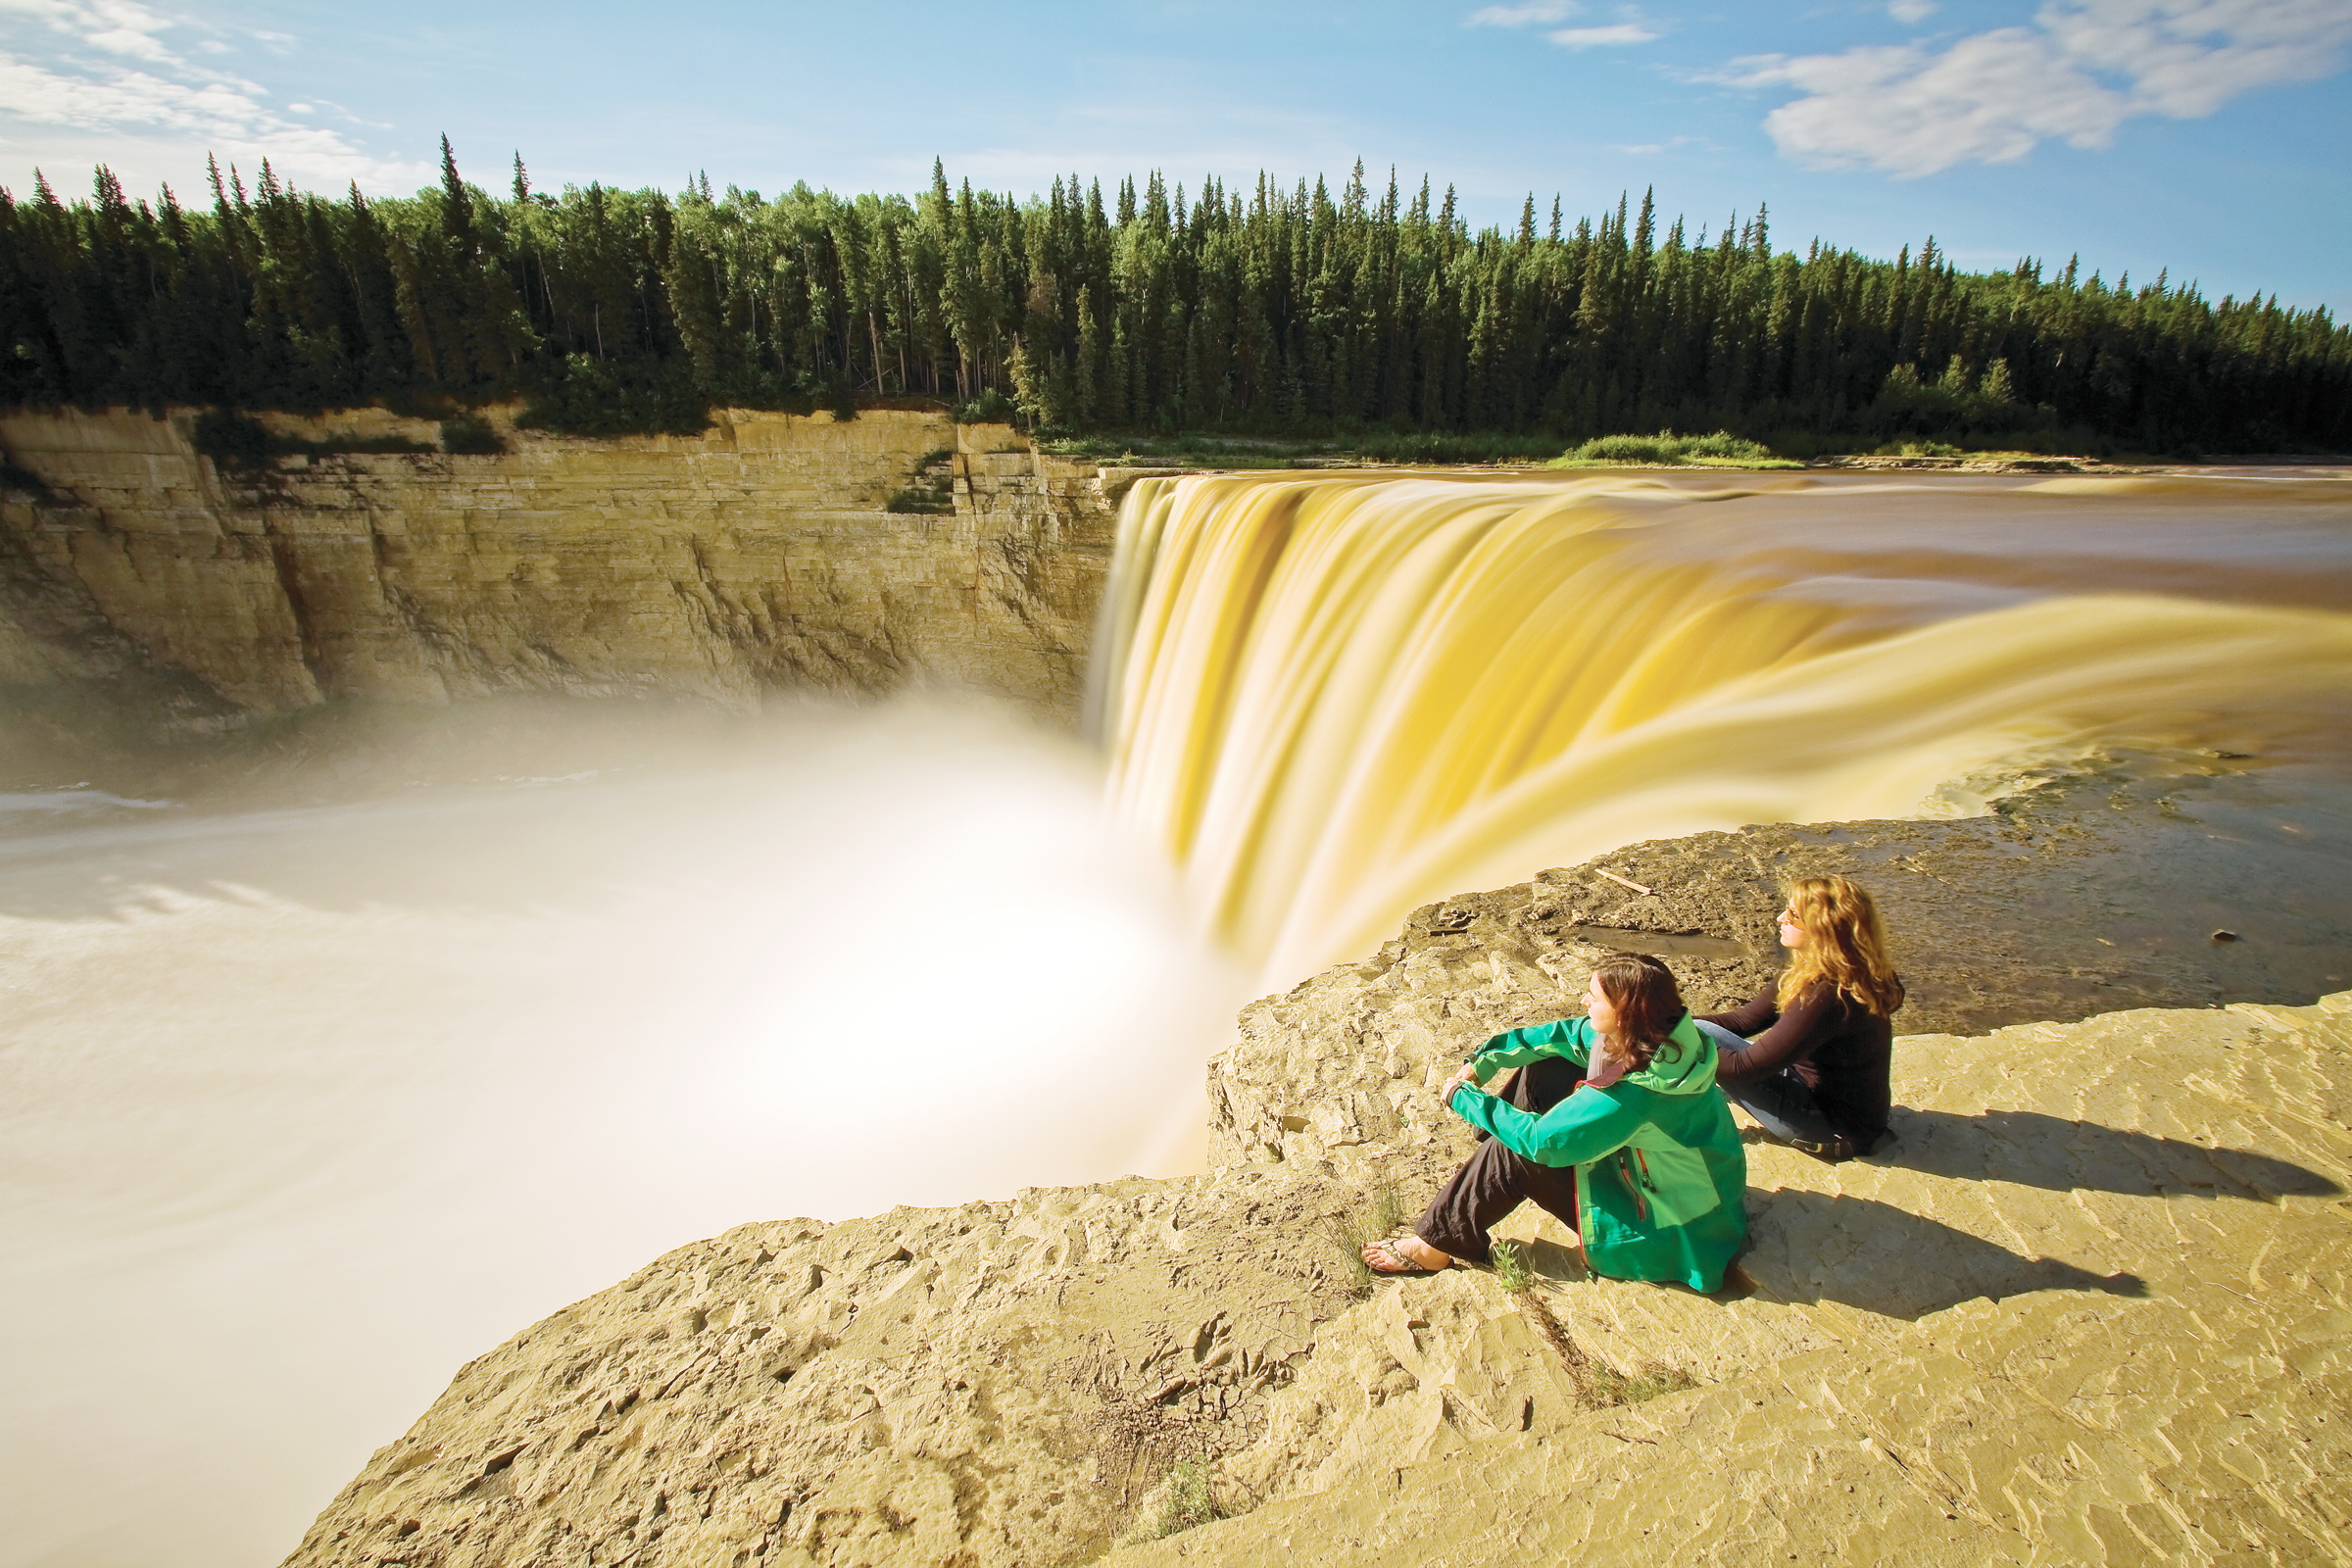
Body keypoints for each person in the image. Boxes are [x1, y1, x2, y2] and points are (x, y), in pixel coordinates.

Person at [1361, 952, 1748, 1294]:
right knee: (1548, 1063)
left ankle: (1436, 1245)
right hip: (1681, 1185)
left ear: (1625, 1011)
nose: (1584, 1001)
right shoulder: (1661, 1036)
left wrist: (1464, 1098)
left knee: (1514, 1151)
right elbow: (1554, 1037)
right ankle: (1488, 1175)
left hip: (1669, 1225)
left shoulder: (1638, 1094)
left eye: (1594, 998)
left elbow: (1543, 1142)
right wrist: (1484, 1060)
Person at [1701, 874, 1904, 1162]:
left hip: (1830, 1131)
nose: (1780, 918)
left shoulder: (1828, 994)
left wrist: (1664, 1034)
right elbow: (1745, 1021)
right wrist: (1661, 1020)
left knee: (1694, 1037)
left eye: (1794, 915)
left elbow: (1743, 1068)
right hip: (1848, 1114)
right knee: (1691, 1029)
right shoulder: (1852, 972)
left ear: (1822, 928)